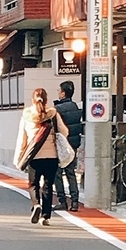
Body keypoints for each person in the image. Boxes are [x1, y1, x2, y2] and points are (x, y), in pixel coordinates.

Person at [15, 85, 66, 223]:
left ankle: (36, 204)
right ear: (46, 99)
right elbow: (64, 132)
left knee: (33, 184)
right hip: (52, 156)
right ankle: (46, 216)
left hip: (34, 156)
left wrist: (19, 157)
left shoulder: (26, 115)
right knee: (48, 185)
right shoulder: (53, 113)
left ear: (33, 100)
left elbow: (22, 139)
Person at [54, 78, 86, 211]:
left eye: (59, 90)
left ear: (63, 93)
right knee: (70, 172)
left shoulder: (57, 109)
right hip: (73, 143)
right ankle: (74, 201)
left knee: (57, 173)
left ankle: (62, 200)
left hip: (61, 144)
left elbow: (55, 127)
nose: (58, 93)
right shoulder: (75, 107)